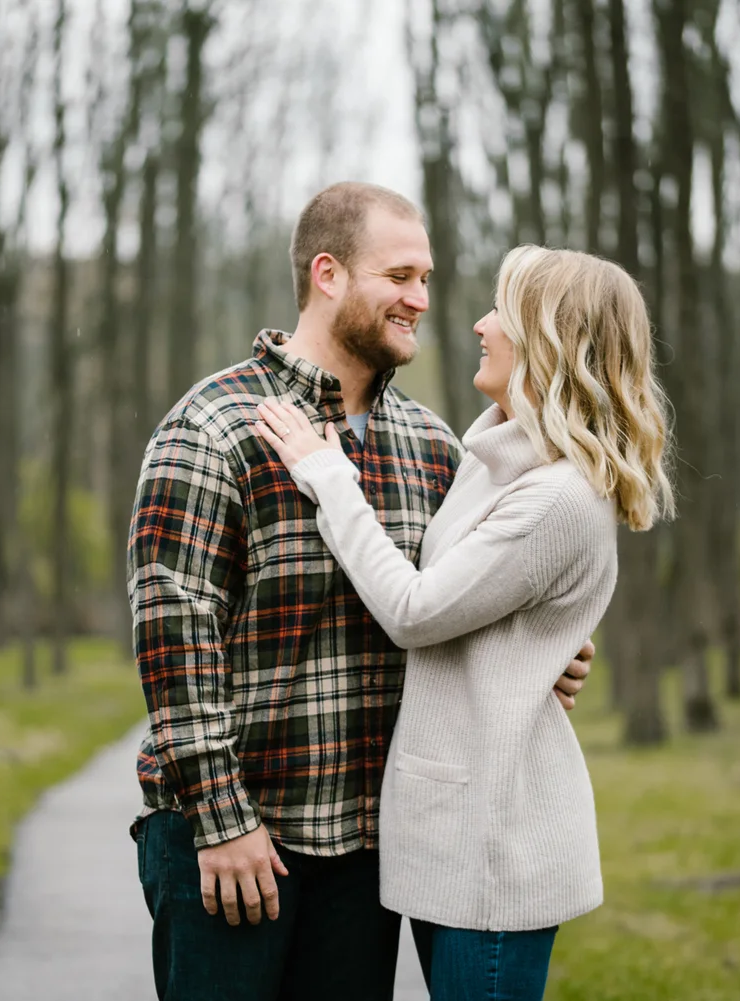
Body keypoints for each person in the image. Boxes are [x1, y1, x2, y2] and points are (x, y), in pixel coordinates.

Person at [126, 182, 595, 1001]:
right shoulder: (215, 426)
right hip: (236, 842)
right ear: (328, 274)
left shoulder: (434, 446)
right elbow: (175, 633)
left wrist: (534, 651)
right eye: (400, 275)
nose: (421, 299)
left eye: (428, 278)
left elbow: (457, 596)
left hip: (370, 848)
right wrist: (221, 818)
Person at [254, 245, 674, 1000]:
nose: (479, 323)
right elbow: (484, 602)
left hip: (496, 844)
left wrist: (326, 474)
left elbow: (416, 610)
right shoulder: (495, 454)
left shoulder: (559, 498)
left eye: (501, 313)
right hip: (450, 827)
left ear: (549, 340)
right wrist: (551, 649)